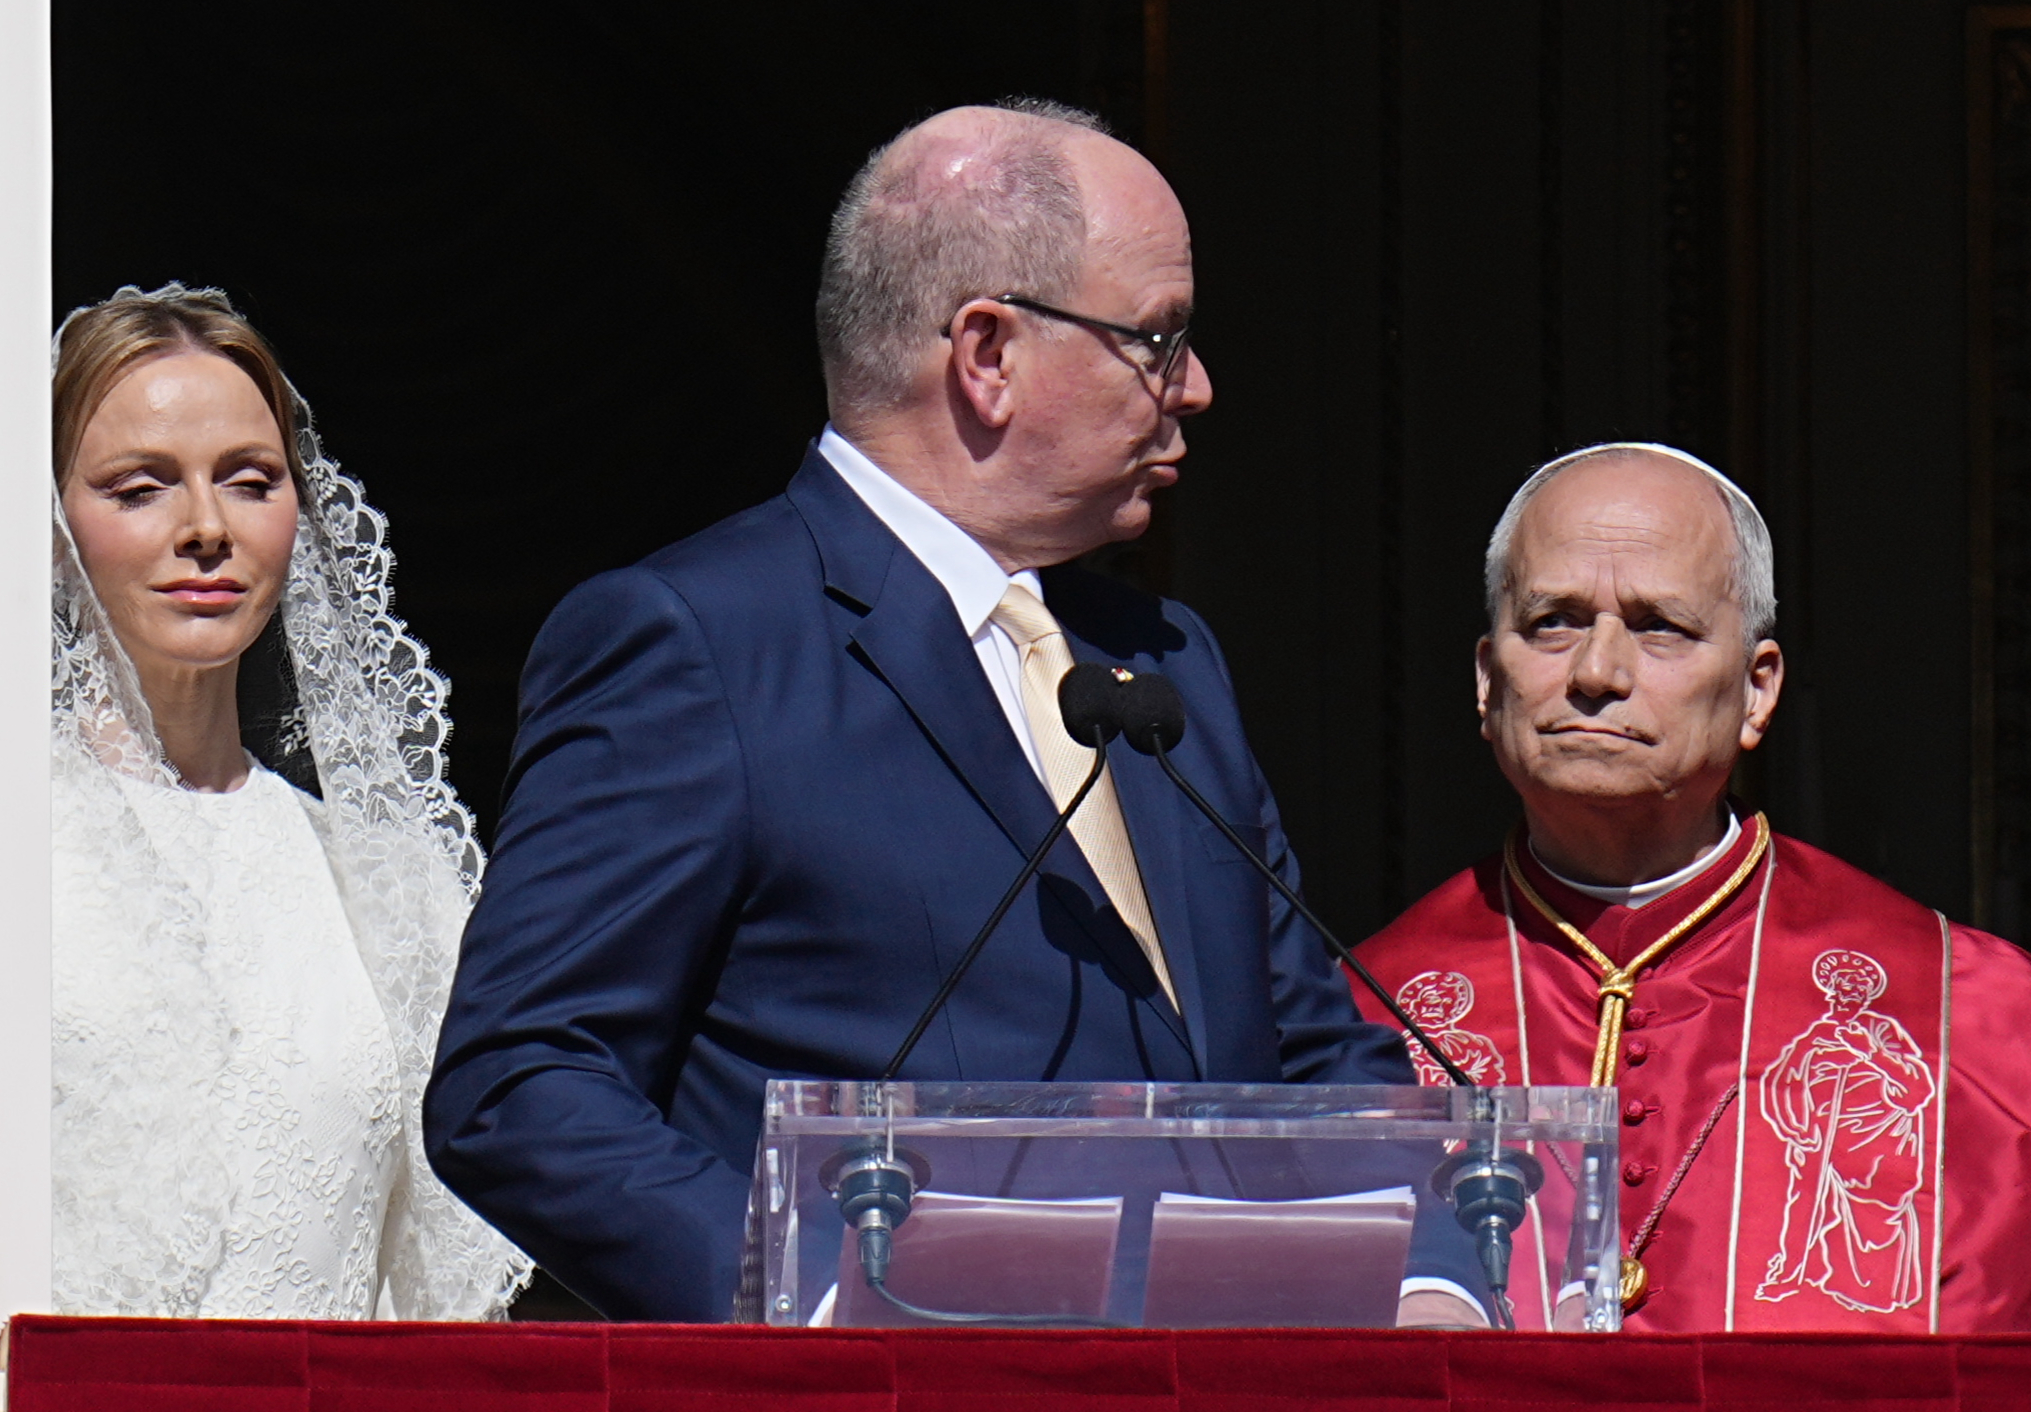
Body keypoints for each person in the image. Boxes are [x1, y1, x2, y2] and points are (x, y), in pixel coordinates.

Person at [425, 100, 1412, 1324]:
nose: (1197, 387)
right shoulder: (699, 643)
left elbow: (1310, 1048)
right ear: (987, 354)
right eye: (1158, 340)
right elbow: (521, 1082)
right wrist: (819, 1299)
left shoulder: (1163, 662)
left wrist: (1425, 1270)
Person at [1350, 443, 2031, 1332]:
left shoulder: (1988, 1029)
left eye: (1660, 625)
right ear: (1484, 678)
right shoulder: (1354, 1022)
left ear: (1756, 690)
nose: (1596, 673)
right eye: (1553, 621)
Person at [51, 285, 527, 1318]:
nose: (206, 527)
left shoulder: (384, 888)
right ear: (50, 526)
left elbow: (432, 1293)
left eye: (249, 481)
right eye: (140, 488)